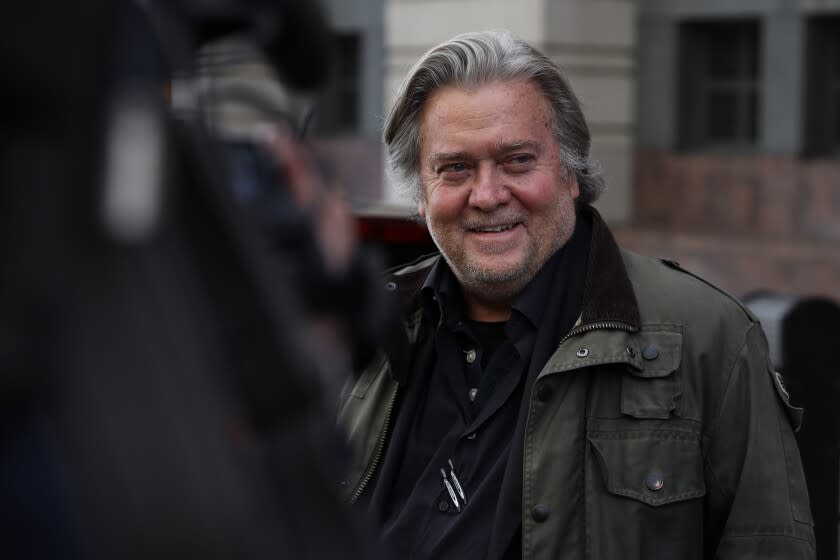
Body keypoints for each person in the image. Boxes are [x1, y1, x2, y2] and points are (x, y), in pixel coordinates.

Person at [337, 30, 815, 559]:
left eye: (518, 161)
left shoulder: (709, 338)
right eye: (455, 168)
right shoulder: (364, 330)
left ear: (570, 174)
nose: (488, 194)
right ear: (421, 195)